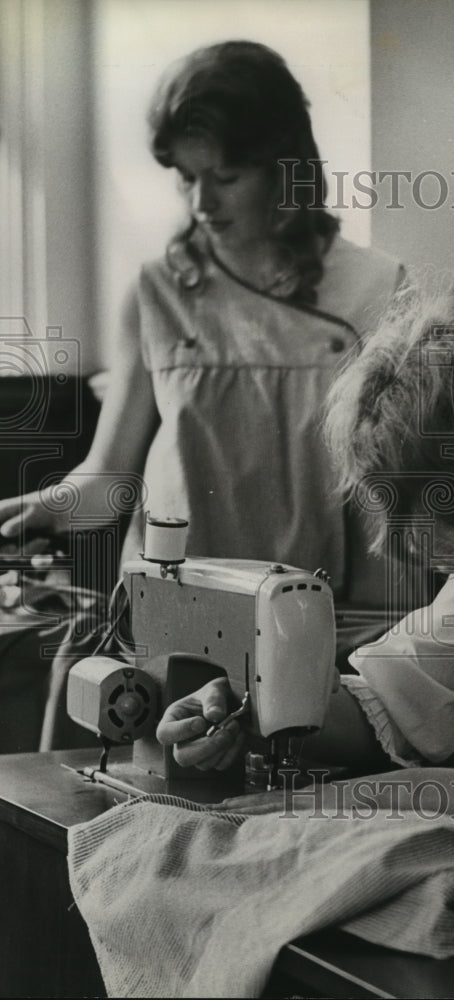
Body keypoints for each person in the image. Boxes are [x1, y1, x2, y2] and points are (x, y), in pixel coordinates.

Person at [0, 41, 406, 750]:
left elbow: (380, 492)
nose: (201, 203)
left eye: (227, 176)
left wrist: (381, 631)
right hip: (171, 620)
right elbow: (111, 475)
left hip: (316, 621)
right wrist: (48, 507)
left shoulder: (372, 288)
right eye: (186, 178)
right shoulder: (157, 291)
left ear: (287, 169)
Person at [157, 287, 454, 833]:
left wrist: (383, 799)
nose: (412, 547)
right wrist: (254, 714)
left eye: (441, 503)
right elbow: (397, 699)